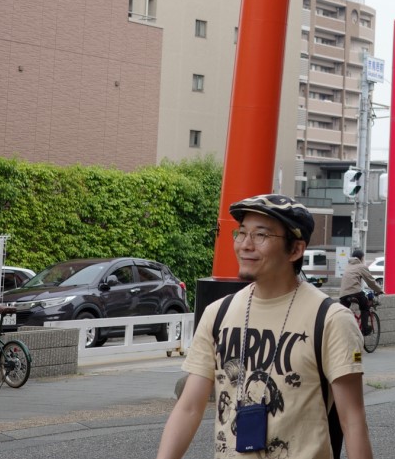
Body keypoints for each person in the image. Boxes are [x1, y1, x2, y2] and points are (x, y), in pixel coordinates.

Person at [158, 193, 372, 459]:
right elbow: (189, 407)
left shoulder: (330, 320)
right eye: (241, 233)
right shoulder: (218, 314)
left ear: (295, 249)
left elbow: (352, 419)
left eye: (261, 235)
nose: (245, 245)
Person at [338, 249, 384, 335]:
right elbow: (371, 282)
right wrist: (379, 290)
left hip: (343, 294)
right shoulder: (361, 266)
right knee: (365, 307)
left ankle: (339, 329)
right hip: (355, 292)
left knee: (342, 312)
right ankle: (365, 329)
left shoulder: (348, 266)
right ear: (361, 258)